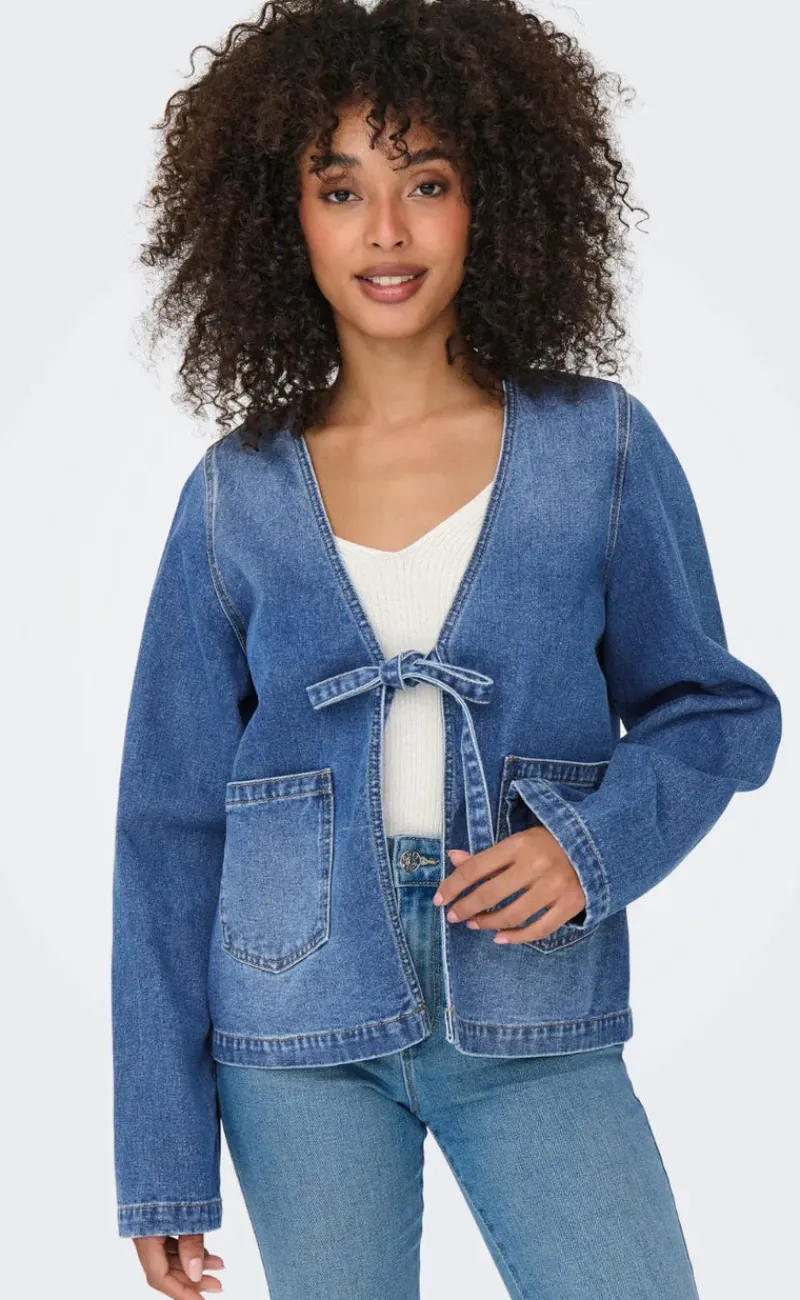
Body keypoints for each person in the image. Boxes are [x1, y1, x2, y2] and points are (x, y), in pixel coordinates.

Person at [111, 1, 782, 1296]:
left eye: (426, 182)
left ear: (495, 200)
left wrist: (588, 849)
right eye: (339, 190)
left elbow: (716, 713)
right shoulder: (235, 493)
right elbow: (168, 825)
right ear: (282, 219)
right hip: (292, 1022)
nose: (386, 231)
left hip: (535, 1001)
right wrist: (162, 1156)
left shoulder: (599, 449)